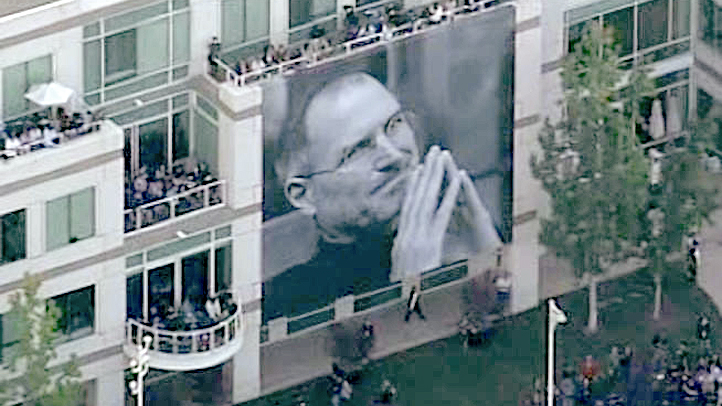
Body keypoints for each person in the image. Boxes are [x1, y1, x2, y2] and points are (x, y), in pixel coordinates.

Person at [264, 72, 501, 321]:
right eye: (358, 150)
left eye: (395, 124)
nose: (393, 155)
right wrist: (408, 298)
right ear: (305, 195)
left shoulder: (466, 236)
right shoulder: (284, 305)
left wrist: (494, 264)